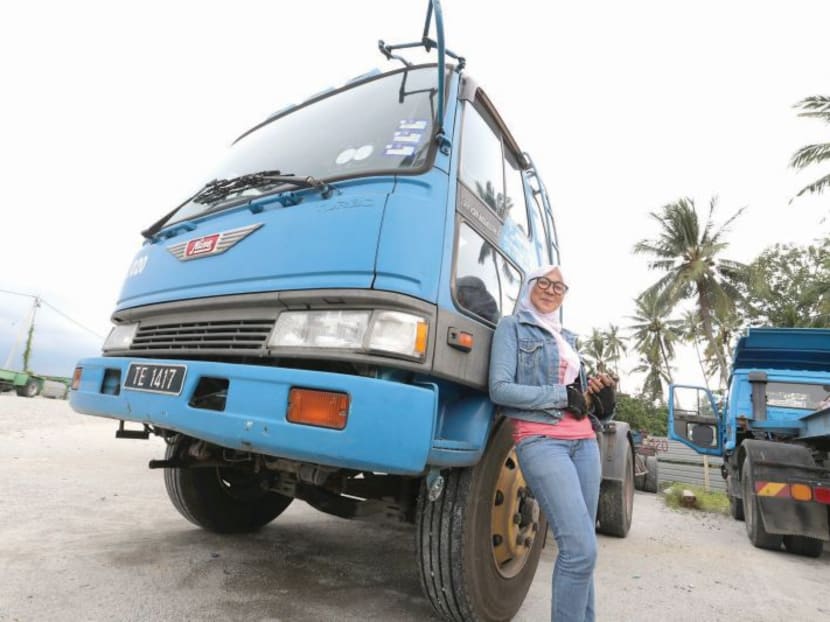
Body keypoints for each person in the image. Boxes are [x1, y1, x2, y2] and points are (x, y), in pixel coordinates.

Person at [488, 264, 616, 622]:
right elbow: (500, 389)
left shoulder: (568, 339)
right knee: (579, 550)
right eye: (543, 282)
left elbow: (583, 402)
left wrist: (601, 400)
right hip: (541, 439)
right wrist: (562, 395)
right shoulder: (511, 327)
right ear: (529, 286)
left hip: (584, 442)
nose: (550, 290)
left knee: (584, 548)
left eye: (559, 287)